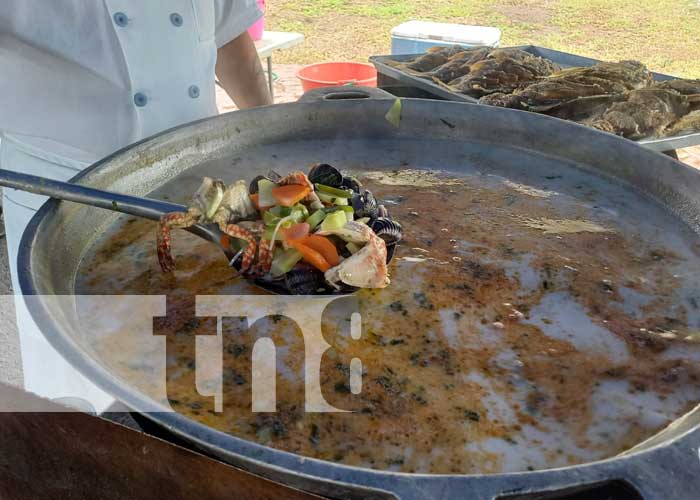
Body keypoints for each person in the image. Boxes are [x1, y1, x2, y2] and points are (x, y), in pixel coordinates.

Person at [0, 1, 272, 412]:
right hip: (63, 198)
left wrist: (269, 138)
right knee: (76, 379)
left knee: (212, 355)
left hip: (199, 184)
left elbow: (229, 35)